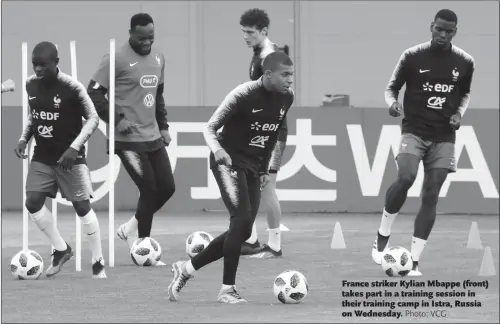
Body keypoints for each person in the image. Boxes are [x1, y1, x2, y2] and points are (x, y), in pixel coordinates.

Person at [167, 51, 294, 304]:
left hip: (252, 166)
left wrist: (263, 170)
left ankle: (187, 269)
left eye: (292, 74)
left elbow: (271, 135)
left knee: (244, 228)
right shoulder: (243, 94)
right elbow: (210, 127)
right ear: (268, 74)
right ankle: (227, 290)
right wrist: (219, 151)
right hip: (227, 160)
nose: (290, 80)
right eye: (285, 74)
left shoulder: (286, 98)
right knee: (242, 220)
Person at [372, 9, 474, 276]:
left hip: (444, 136)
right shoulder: (411, 55)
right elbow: (391, 88)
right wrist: (393, 103)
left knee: (431, 194)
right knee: (406, 176)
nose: (442, 34)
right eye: (438, 29)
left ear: (455, 32)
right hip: (414, 130)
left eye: (448, 31)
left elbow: (465, 95)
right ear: (431, 27)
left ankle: (414, 260)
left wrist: (458, 115)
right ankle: (383, 232)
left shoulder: (465, 62)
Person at [88, 13, 174, 266]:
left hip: (153, 136)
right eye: (141, 38)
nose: (147, 42)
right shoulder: (115, 58)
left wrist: (164, 126)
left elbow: (158, 96)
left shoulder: (159, 57)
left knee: (167, 188)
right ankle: (144, 248)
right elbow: (93, 93)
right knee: (149, 189)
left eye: (151, 37)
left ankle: (130, 228)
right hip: (126, 139)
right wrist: (116, 120)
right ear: (130, 33)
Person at [15, 41, 105, 278]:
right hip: (43, 156)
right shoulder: (30, 84)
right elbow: (33, 115)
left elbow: (93, 119)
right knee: (32, 202)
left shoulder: (72, 88)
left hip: (70, 158)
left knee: (83, 207)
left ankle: (98, 262)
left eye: (43, 65)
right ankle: (62, 249)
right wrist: (24, 138)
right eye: (35, 65)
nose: (38, 69)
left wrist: (74, 148)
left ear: (56, 63)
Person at [239, 8, 289, 258]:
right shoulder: (259, 54)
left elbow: (276, 98)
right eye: (243, 32)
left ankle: (275, 246)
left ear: (264, 31)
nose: (245, 37)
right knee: (251, 185)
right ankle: (250, 240)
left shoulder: (270, 57)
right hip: (257, 131)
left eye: (250, 32)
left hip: (271, 133)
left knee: (265, 185)